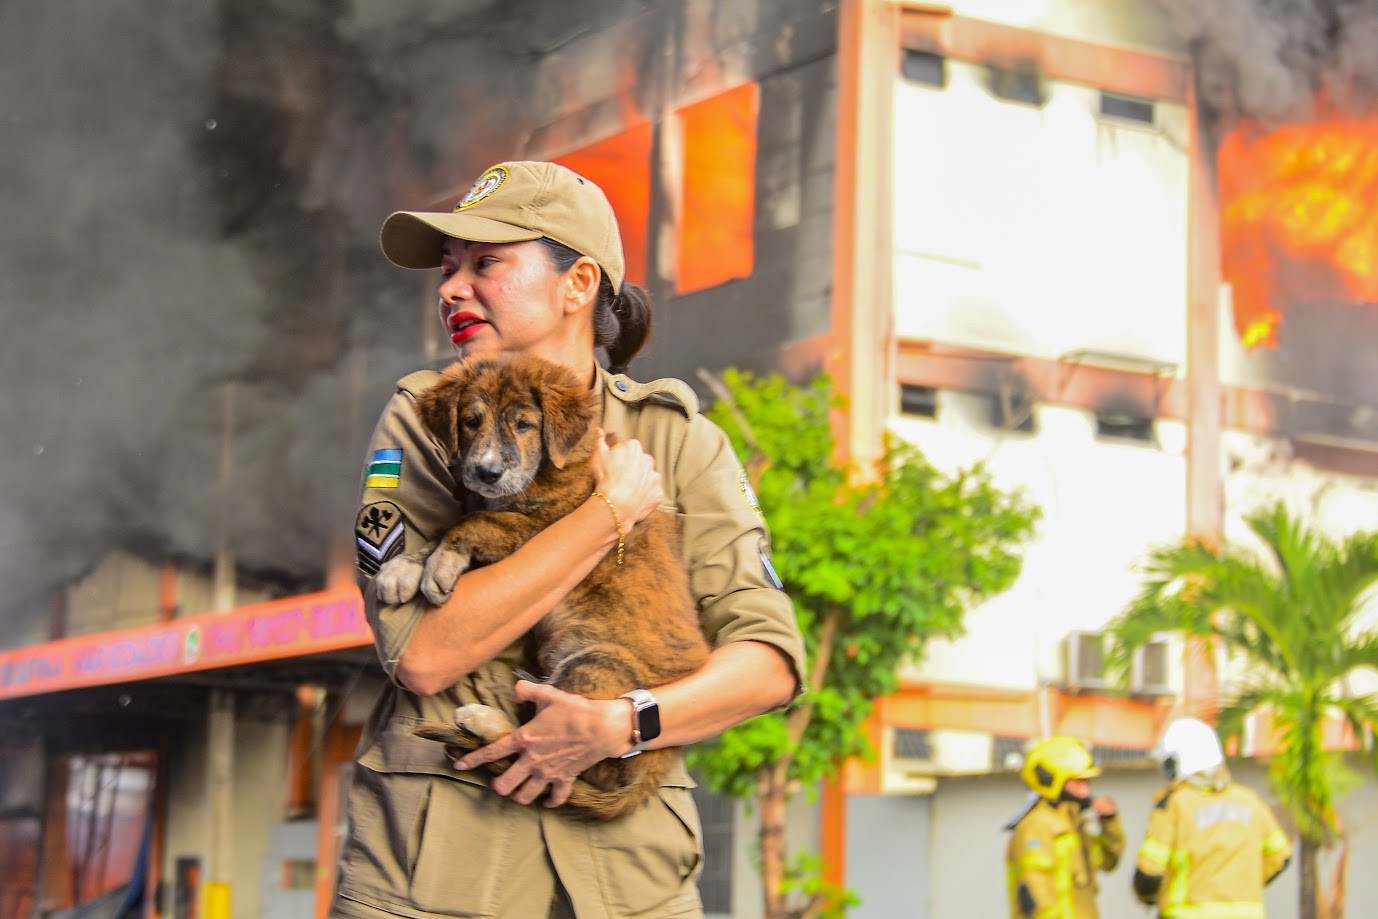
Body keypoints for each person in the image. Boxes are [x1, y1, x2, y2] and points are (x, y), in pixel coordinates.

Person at [330, 160, 806, 919]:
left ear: (578, 285)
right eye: (448, 270)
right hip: (439, 881)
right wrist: (607, 515)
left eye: (486, 263)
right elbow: (423, 654)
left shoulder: (678, 439)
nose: (452, 288)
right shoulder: (431, 417)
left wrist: (624, 721)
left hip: (632, 884)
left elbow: (768, 663)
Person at [1133, 717, 1292, 918]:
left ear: (1177, 763)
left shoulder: (1176, 804)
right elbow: (1281, 856)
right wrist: (1240, 885)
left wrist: (1151, 896)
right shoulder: (1249, 800)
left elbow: (1149, 872)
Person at [1005, 735, 1124, 918]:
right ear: (1051, 780)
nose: (1086, 792)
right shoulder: (1036, 827)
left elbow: (1108, 861)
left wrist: (1109, 822)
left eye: (1087, 783)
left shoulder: (1074, 825)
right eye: (1078, 783)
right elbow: (1036, 890)